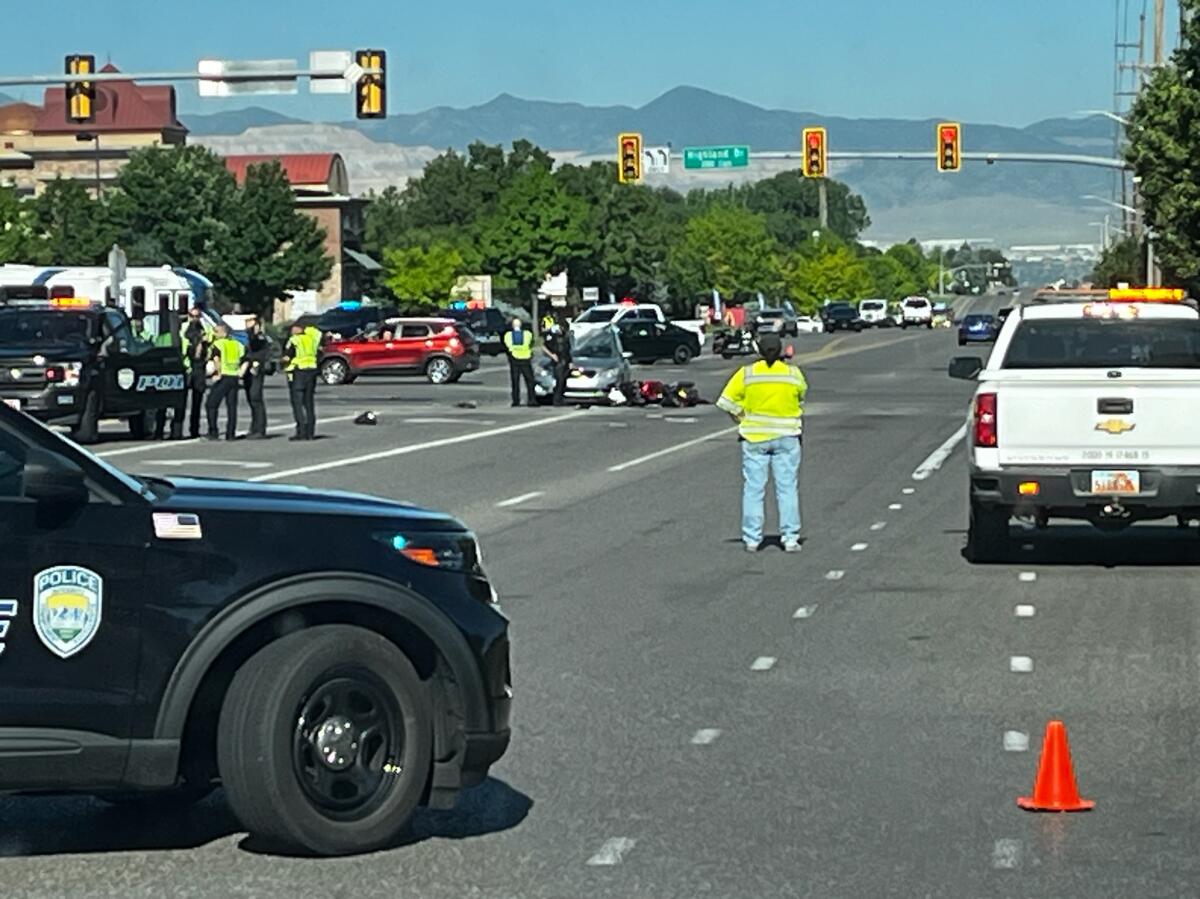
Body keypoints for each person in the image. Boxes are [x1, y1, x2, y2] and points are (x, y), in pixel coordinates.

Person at [716, 332, 808, 553]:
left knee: (754, 489)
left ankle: (752, 538)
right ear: (781, 352)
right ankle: (789, 537)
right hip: (787, 436)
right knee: (786, 488)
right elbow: (801, 398)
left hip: (755, 437)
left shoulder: (747, 374)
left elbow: (725, 401)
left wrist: (742, 416)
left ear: (758, 351)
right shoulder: (792, 374)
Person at [205, 323, 246, 441]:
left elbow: (216, 359)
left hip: (223, 377)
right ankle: (230, 433)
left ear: (224, 332)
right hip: (234, 377)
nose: (214, 334)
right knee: (231, 406)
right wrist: (240, 372)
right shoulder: (238, 345)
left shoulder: (218, 344)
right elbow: (245, 359)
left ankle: (213, 432)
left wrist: (217, 373)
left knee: (211, 404)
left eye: (216, 332)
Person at [283, 320, 319, 441]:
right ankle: (310, 432)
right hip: (311, 371)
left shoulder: (294, 340)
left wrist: (282, 361)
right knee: (309, 403)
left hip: (298, 373)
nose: (291, 331)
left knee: (298, 403)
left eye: (293, 328)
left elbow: (288, 356)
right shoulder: (312, 339)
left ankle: (301, 431)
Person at [181, 307, 211, 439]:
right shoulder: (183, 329)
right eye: (192, 316)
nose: (194, 319)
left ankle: (194, 429)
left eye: (197, 316)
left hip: (199, 368)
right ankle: (177, 431)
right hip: (186, 367)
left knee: (197, 401)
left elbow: (210, 347)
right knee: (180, 402)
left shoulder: (205, 330)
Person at [242, 314, 270, 439]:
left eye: (250, 322)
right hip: (247, 371)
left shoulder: (260, 338)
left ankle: (260, 429)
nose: (247, 324)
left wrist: (254, 329)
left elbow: (259, 351)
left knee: (256, 398)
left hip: (256, 370)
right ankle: (254, 427)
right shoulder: (247, 336)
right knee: (251, 399)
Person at [503, 316, 536, 407]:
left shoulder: (508, 335)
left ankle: (516, 400)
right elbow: (530, 343)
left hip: (514, 358)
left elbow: (508, 347)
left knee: (515, 381)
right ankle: (532, 400)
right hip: (525, 358)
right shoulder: (527, 334)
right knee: (530, 381)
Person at [542, 319, 571, 406]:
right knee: (559, 381)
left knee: (563, 382)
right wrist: (552, 355)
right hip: (558, 361)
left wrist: (570, 361)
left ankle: (560, 398)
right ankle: (556, 400)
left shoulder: (566, 337)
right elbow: (544, 346)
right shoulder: (553, 337)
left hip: (565, 360)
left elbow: (568, 350)